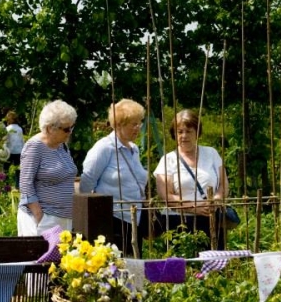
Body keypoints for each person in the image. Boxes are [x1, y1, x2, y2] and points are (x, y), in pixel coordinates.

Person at [80, 99, 155, 258]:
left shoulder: (133, 149)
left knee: (134, 269)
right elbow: (86, 184)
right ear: (119, 124)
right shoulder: (104, 148)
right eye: (133, 124)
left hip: (134, 219)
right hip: (112, 220)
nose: (138, 128)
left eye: (139, 123)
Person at [153, 109, 229, 250]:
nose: (184, 136)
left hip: (211, 220)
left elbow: (224, 185)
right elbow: (166, 196)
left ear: (197, 132)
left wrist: (216, 200)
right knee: (183, 267)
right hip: (179, 223)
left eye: (189, 131)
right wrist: (195, 207)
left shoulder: (211, 153)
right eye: (180, 132)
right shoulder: (168, 160)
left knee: (215, 264)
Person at [17, 100, 78, 236]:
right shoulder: (34, 147)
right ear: (50, 128)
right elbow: (25, 184)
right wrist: (40, 217)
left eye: (72, 127)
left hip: (63, 218)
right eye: (66, 129)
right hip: (44, 220)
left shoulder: (62, 146)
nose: (70, 132)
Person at [4, 111, 25, 186]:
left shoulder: (7, 129)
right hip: (18, 151)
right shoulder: (19, 129)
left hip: (9, 151)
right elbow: (22, 140)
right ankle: (17, 185)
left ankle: (6, 185)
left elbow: (5, 141)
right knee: (18, 169)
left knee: (6, 169)